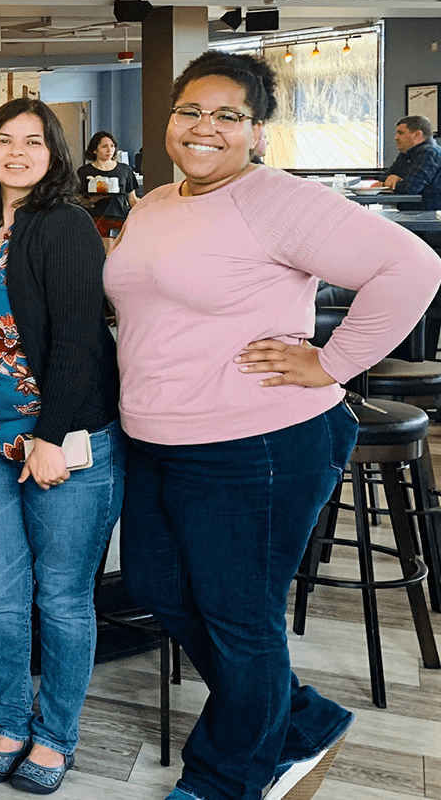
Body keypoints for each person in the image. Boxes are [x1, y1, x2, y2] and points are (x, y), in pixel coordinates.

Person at [104, 51, 441, 800]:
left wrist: (335, 360)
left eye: (229, 116)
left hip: (255, 441)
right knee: (162, 586)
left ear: (257, 133)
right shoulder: (158, 201)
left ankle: (229, 779)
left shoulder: (275, 199)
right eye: (191, 110)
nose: (204, 127)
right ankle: (298, 715)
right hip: (160, 438)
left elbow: (413, 267)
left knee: (237, 616)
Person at [0, 99, 124, 794]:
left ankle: (55, 736)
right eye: (4, 140)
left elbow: (84, 339)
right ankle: (8, 722)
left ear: (55, 154)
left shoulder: (67, 225)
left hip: (63, 445)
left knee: (60, 598)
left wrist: (50, 438)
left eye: (33, 141)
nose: (16, 152)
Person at [76, 130, 138, 241]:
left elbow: (132, 199)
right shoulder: (84, 172)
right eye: (104, 146)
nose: (109, 150)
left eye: (112, 146)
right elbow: (77, 200)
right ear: (95, 150)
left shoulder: (124, 170)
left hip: (119, 220)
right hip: (93, 221)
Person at [381, 114, 441, 210]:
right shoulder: (406, 153)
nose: (396, 137)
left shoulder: (429, 153)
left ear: (417, 134)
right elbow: (383, 178)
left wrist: (392, 182)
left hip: (427, 218)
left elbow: (410, 188)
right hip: (411, 215)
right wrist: (393, 178)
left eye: (400, 133)